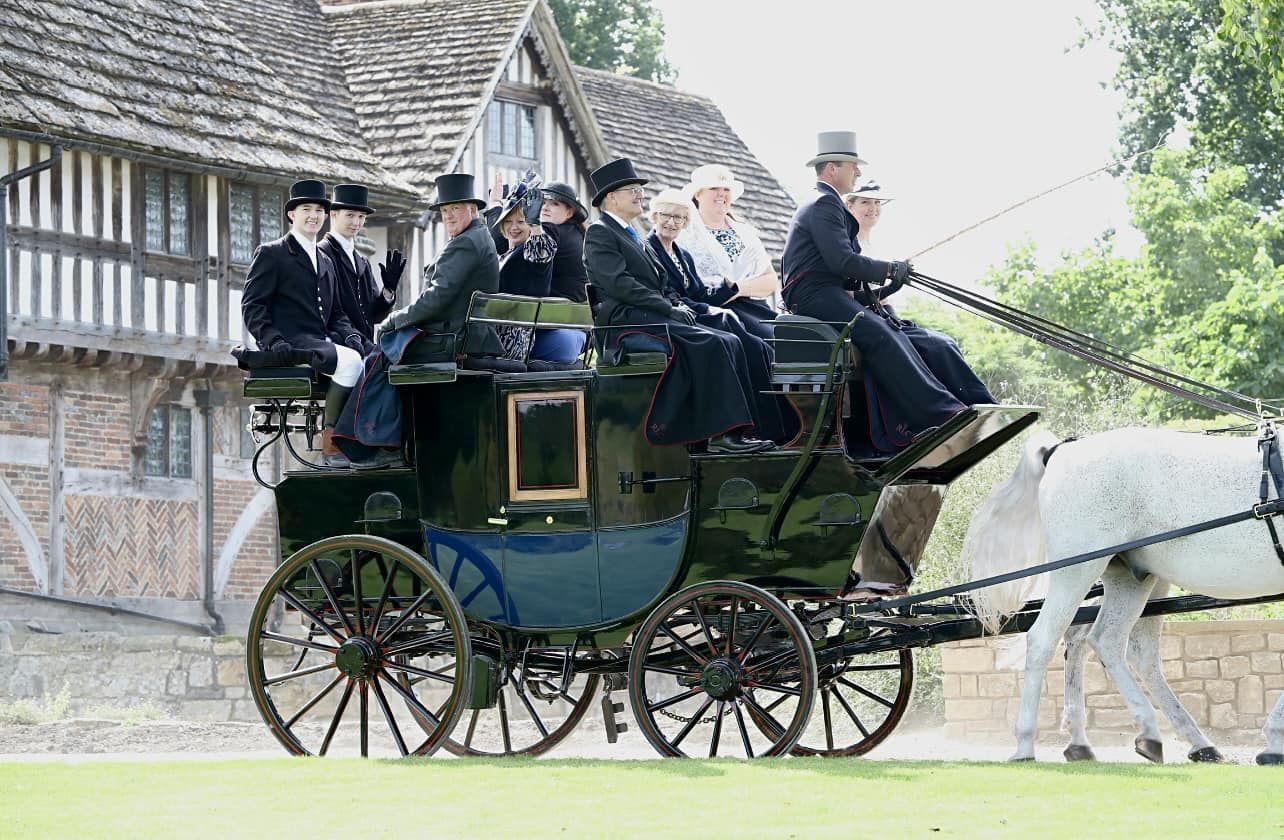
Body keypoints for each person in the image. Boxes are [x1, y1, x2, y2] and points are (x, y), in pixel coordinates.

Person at [781, 131, 994, 451]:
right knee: (879, 334)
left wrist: (885, 284)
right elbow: (842, 261)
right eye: (853, 165)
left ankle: (978, 406)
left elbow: (840, 270)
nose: (858, 172)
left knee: (898, 331)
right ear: (832, 169)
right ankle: (940, 414)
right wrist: (890, 269)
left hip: (827, 290)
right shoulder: (823, 202)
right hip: (812, 294)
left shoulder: (826, 203)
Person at [583, 158, 774, 453]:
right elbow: (620, 285)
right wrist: (668, 308)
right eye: (632, 190)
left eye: (640, 190)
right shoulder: (601, 232)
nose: (639, 195)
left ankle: (743, 429)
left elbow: (662, 284)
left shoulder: (632, 233)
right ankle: (720, 436)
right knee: (711, 343)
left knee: (730, 339)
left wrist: (678, 305)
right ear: (611, 197)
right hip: (625, 322)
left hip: (648, 313)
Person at [333, 173, 500, 467]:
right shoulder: (478, 237)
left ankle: (379, 445)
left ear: (472, 209)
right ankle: (384, 440)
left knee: (382, 354)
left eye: (455, 209)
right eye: (445, 210)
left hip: (453, 338)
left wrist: (394, 320)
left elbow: (435, 299)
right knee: (389, 349)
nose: (449, 216)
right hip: (465, 334)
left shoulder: (465, 243)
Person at [646, 188, 798, 444]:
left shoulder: (682, 254)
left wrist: (728, 287)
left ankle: (775, 426)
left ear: (685, 222)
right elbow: (670, 296)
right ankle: (750, 428)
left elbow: (699, 291)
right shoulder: (649, 251)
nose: (671, 222)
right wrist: (708, 309)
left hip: (694, 310)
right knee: (736, 336)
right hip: (677, 317)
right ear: (654, 217)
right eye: (666, 215)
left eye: (678, 217)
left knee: (758, 345)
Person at [241, 178, 365, 467]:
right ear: (291, 214)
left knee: (374, 358)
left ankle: (367, 439)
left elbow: (336, 313)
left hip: (321, 341)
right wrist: (272, 340)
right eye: (306, 209)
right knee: (351, 362)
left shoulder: (326, 259)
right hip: (291, 341)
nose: (314, 216)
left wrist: (351, 335)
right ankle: (331, 443)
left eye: (319, 210)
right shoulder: (272, 253)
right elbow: (253, 306)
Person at [678, 163, 779, 340]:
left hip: (754, 309)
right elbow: (687, 287)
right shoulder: (684, 235)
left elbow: (770, 279)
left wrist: (738, 288)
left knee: (788, 339)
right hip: (713, 313)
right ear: (698, 194)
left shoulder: (746, 233)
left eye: (726, 189)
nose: (721, 193)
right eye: (713, 188)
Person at [492, 184, 587, 364]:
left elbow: (538, 253)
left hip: (532, 336)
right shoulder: (576, 234)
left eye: (554, 204)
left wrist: (533, 224)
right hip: (567, 330)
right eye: (542, 202)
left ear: (569, 212)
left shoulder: (548, 234)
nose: (545, 207)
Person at [318, 183, 405, 344]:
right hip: (339, 346)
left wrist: (388, 290)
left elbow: (374, 315)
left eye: (361, 216)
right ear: (334, 214)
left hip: (366, 347)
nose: (356, 222)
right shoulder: (321, 254)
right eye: (350, 215)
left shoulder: (362, 261)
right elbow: (326, 313)